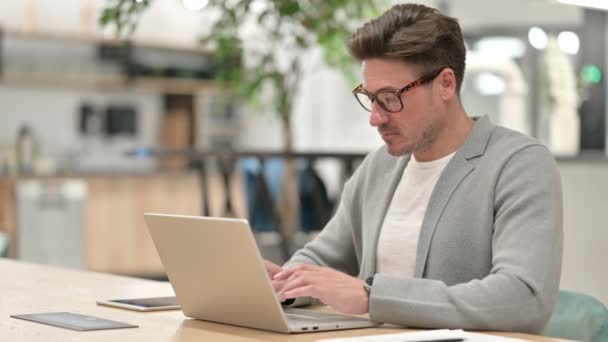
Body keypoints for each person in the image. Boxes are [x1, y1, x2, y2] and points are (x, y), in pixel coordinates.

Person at [265, 3, 563, 334]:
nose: (375, 117)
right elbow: (322, 259)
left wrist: (371, 297)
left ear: (446, 84)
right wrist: (281, 284)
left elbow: (522, 297)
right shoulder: (379, 167)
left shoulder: (519, 164)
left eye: (391, 97)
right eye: (370, 97)